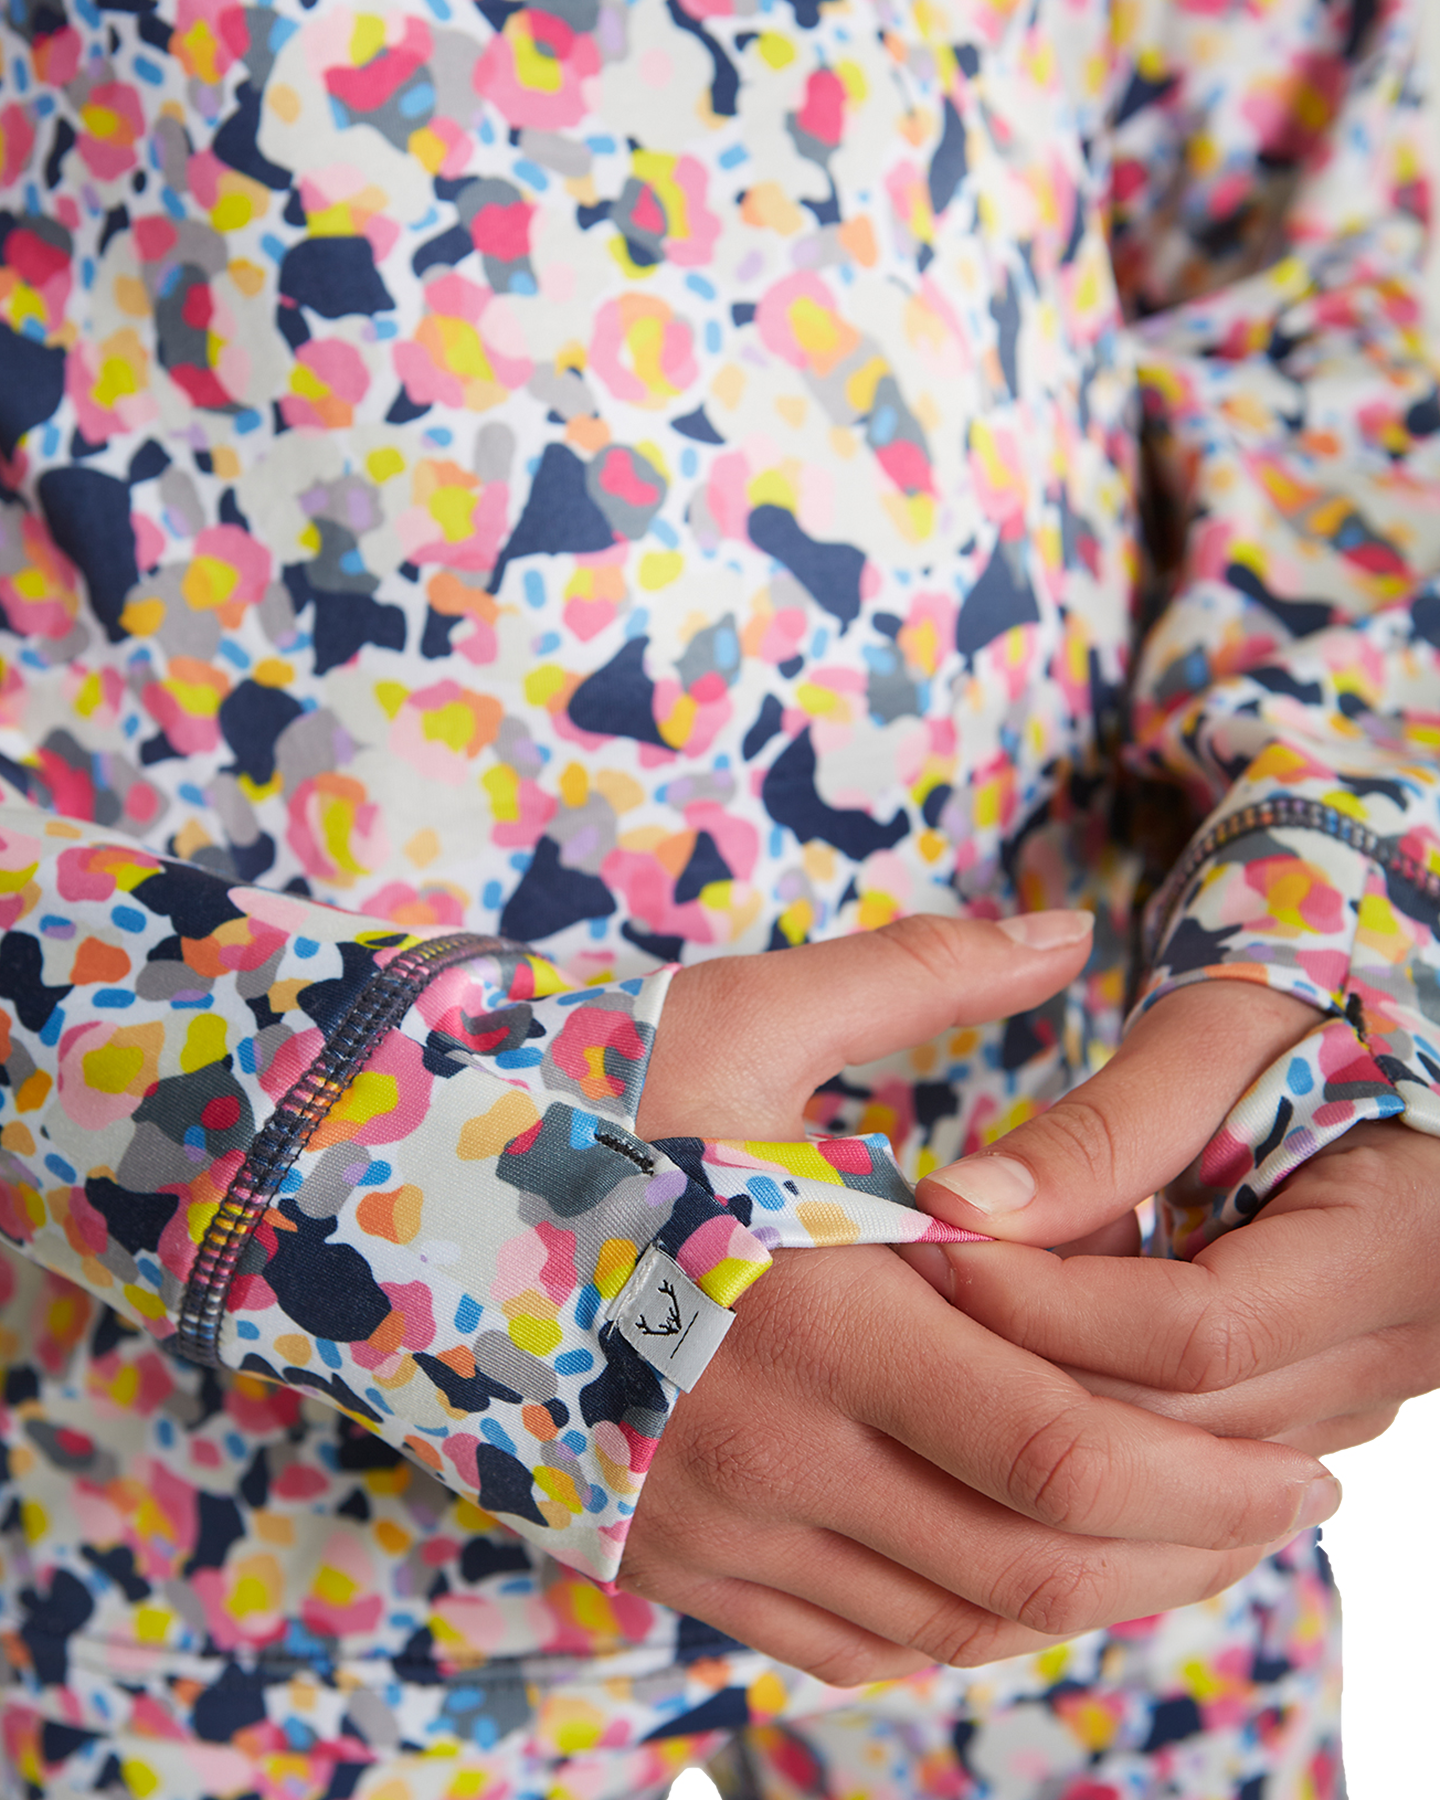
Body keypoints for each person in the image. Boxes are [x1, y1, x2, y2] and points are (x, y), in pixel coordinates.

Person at [0, 0, 1436, 1792]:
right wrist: (447, 1194)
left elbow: (1324, 274)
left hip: (1108, 1473)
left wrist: (1366, 957)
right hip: (194, 1568)